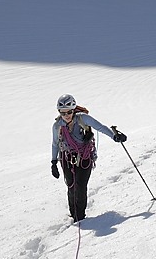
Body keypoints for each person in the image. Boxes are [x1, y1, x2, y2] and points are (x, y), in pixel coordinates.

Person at [50, 93, 127, 223]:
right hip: (66, 158)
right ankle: (74, 214)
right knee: (71, 185)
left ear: (73, 109)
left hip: (85, 156)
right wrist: (53, 162)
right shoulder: (57, 126)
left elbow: (100, 127)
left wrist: (114, 137)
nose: (66, 115)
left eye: (69, 112)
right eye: (63, 113)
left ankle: (80, 217)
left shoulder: (83, 118)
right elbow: (55, 143)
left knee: (80, 185)